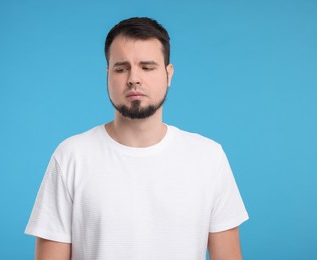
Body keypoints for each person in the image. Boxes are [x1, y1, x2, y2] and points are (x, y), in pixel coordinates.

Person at [25, 17, 249, 260]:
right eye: (121, 68)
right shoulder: (71, 156)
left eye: (147, 67)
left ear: (168, 74)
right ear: (108, 74)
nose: (134, 78)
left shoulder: (209, 158)